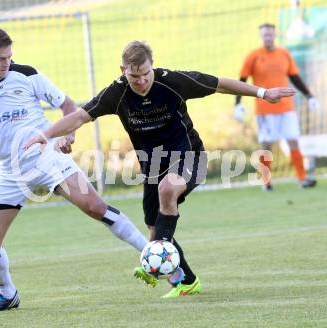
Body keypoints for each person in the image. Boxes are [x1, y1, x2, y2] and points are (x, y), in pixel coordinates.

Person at [23, 40, 296, 298]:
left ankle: (153, 257)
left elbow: (221, 84)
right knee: (155, 225)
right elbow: (81, 116)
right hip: (153, 168)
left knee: (169, 190)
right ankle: (187, 281)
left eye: (145, 74)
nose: (141, 81)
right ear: (123, 71)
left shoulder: (172, 81)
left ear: (152, 65)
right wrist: (45, 134)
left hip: (191, 156)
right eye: (134, 76)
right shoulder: (117, 93)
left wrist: (263, 93)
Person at [0, 27, 148, 313]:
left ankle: (150, 253)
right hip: (10, 172)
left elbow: (68, 106)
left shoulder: (27, 75)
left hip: (47, 159)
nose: (7, 63)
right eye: (0, 59)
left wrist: (68, 136)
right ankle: (7, 294)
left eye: (9, 57)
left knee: (94, 206)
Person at [234, 23, 318, 191]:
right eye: (264, 35)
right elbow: (241, 80)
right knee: (266, 145)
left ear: (275, 35)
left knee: (293, 141)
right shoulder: (254, 56)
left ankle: (302, 178)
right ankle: (266, 181)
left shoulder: (284, 54)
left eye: (270, 34)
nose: (268, 37)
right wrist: (238, 103)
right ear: (261, 36)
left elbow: (294, 77)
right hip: (264, 110)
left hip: (287, 108)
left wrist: (309, 96)